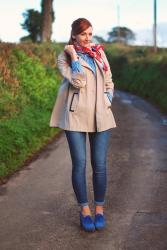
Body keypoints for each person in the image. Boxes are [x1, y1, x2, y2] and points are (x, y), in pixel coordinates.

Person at [49, 18, 116, 232]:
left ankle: (99, 210)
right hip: (75, 116)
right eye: (83, 34)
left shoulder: (99, 52)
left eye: (90, 34)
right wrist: (75, 56)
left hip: (101, 115)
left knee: (100, 165)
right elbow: (78, 81)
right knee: (80, 164)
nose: (88, 38)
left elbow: (109, 80)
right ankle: (85, 211)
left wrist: (108, 100)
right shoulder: (64, 57)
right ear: (74, 36)